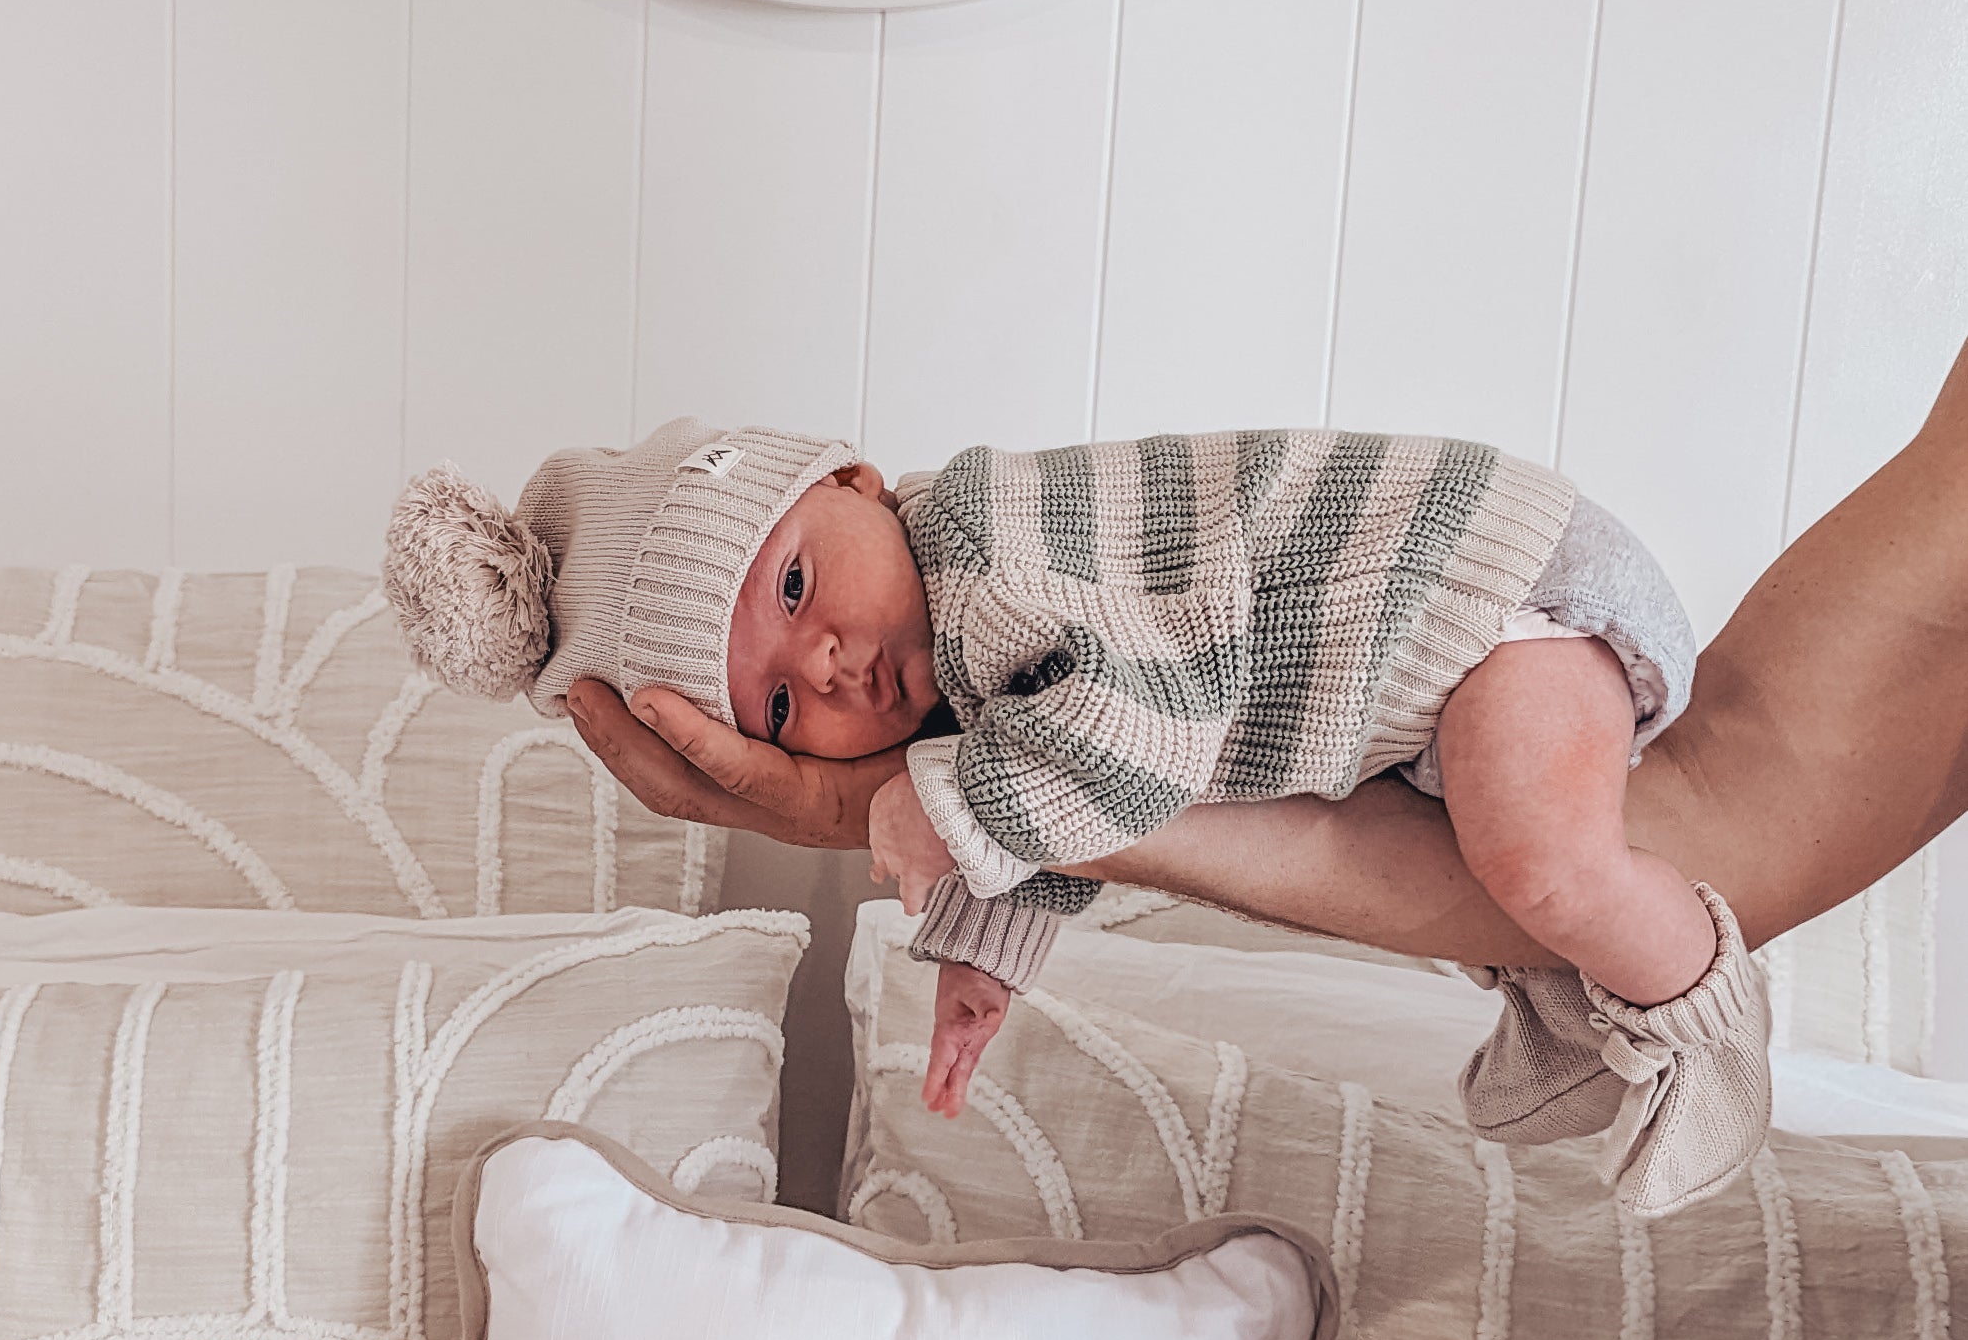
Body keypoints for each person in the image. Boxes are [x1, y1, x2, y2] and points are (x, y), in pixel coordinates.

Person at [382, 414, 1772, 1217]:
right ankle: (1593, 1002)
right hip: (1430, 681)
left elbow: (1134, 728)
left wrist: (937, 806)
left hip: (1490, 590)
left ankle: (1701, 1018)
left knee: (1542, 856)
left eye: (798, 588)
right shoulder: (967, 661)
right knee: (1501, 858)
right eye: (785, 710)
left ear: (857, 481)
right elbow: (1047, 774)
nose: (827, 666)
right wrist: (988, 949)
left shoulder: (986, 554)